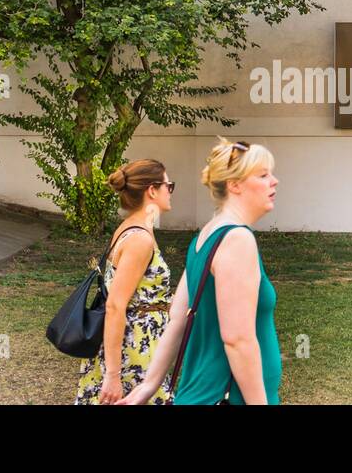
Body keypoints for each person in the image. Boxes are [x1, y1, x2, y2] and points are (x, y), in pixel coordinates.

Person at [118, 139, 282, 405]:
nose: (274, 181)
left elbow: (177, 320)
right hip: (229, 398)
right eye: (263, 175)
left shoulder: (205, 237)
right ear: (235, 185)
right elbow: (237, 340)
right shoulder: (236, 239)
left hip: (198, 395)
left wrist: (149, 385)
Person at [73, 159, 176, 405]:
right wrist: (113, 375)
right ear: (152, 190)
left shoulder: (132, 228)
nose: (170, 192)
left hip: (140, 344)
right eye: (168, 186)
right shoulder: (139, 239)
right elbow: (116, 305)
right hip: (133, 350)